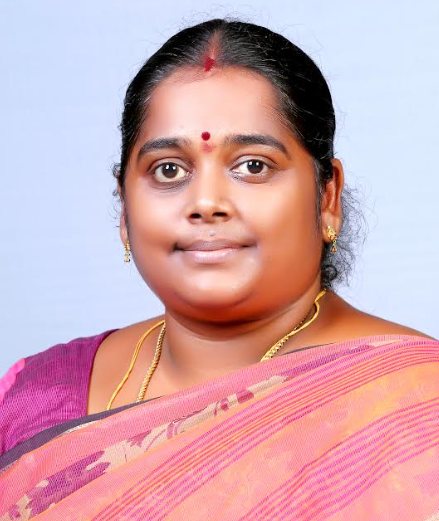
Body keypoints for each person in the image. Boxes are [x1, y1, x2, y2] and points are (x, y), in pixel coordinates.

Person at [1, 17, 438, 520]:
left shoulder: (417, 406)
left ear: (327, 197)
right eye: (169, 170)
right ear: (124, 208)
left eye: (253, 166)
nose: (206, 202)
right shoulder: (35, 395)